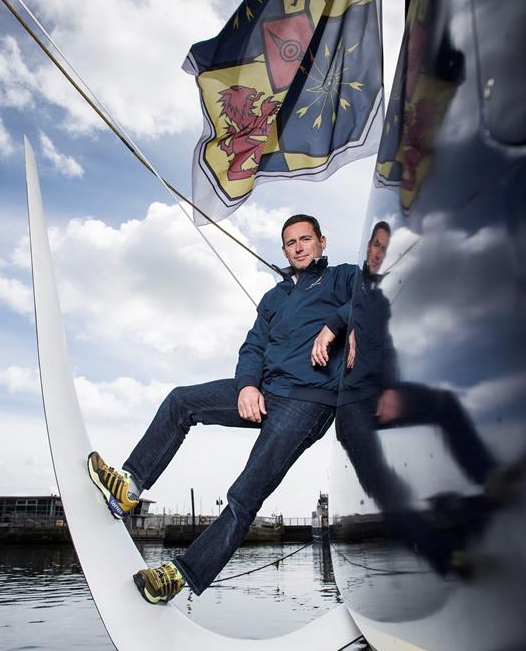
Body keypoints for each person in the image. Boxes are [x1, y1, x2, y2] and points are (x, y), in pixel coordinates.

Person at [88, 214, 359, 604]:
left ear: (322, 242)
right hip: (266, 389)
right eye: (290, 242)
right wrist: (248, 385)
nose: (298, 247)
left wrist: (336, 325)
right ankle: (129, 486)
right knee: (181, 400)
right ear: (283, 250)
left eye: (305, 239)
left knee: (245, 492)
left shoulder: (341, 278)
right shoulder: (274, 298)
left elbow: (376, 289)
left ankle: (179, 576)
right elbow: (253, 347)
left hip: (308, 400)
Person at [334, 221, 497, 572]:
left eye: (385, 248)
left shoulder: (379, 299)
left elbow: (388, 349)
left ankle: (488, 475)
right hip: (348, 405)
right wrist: (339, 326)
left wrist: (392, 387)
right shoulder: (345, 283)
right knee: (385, 484)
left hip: (378, 391)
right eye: (374, 245)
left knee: (444, 403)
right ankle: (445, 556)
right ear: (365, 247)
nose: (378, 253)